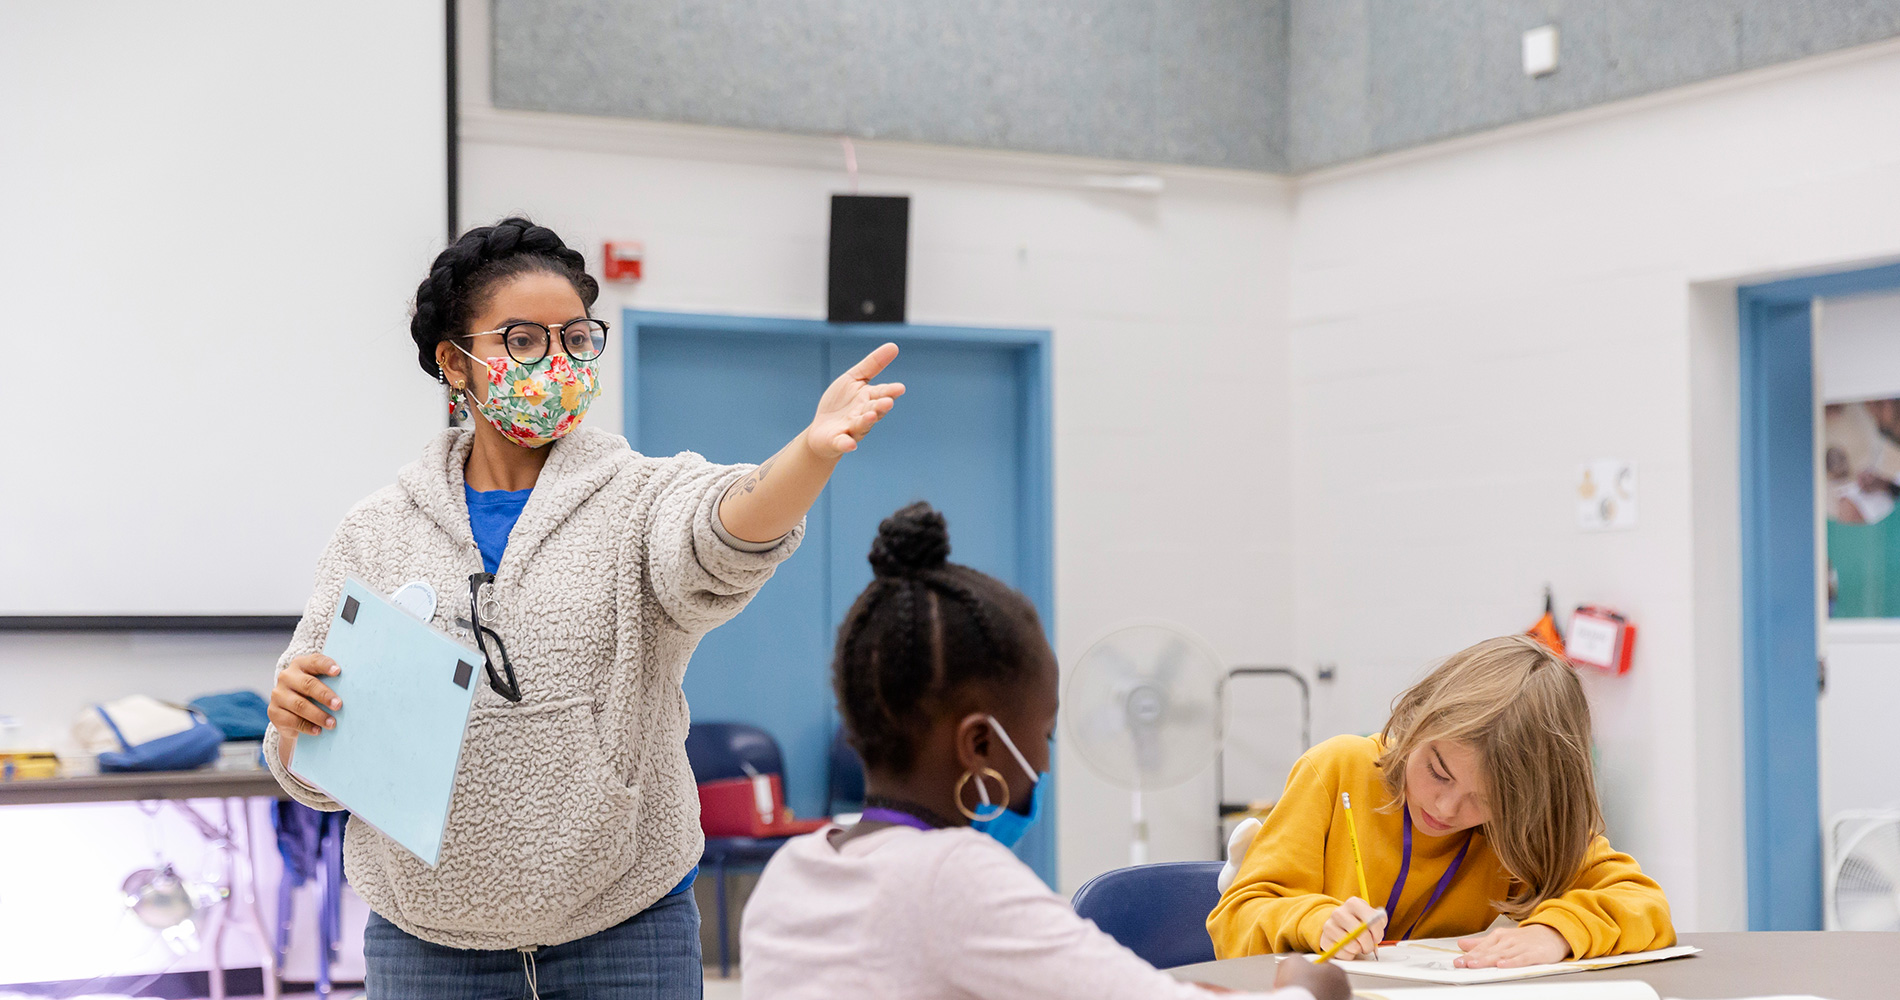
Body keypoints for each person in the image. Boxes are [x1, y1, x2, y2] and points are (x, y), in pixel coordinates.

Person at [261, 217, 904, 999]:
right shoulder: (376, 532)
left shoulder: (637, 497)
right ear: (453, 362)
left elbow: (724, 531)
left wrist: (808, 454)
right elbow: (317, 773)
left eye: (574, 339)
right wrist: (297, 730)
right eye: (523, 342)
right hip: (427, 946)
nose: (555, 362)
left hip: (625, 932)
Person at [740, 503, 1348, 1000]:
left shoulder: (791, 873)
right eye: (1046, 733)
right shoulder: (952, 875)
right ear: (980, 744)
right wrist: (1306, 987)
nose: (1047, 763)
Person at [1207, 635, 1674, 968]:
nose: (1447, 809)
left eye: (1486, 800)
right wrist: (1314, 920)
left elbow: (1641, 902)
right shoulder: (1338, 771)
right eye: (1437, 771)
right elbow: (1235, 923)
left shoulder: (1519, 825)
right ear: (1416, 720)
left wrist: (1555, 933)